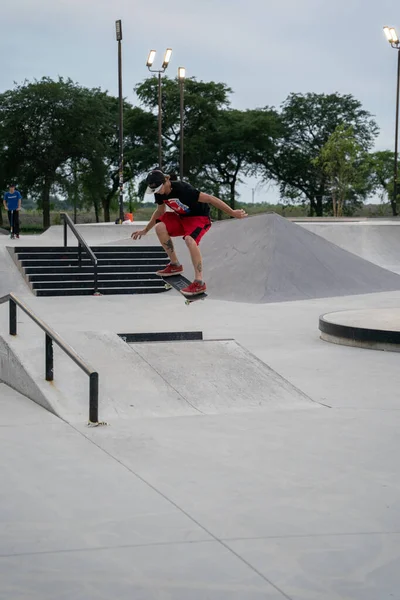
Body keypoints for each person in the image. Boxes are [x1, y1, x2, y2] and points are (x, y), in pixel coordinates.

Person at [131, 170, 247, 296]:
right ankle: (175, 264)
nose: (158, 192)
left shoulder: (183, 189)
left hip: (199, 218)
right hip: (181, 219)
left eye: (159, 188)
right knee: (159, 227)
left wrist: (232, 213)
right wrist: (145, 230)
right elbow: (160, 211)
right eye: (155, 190)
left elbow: (210, 199)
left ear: (166, 182)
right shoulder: (159, 193)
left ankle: (199, 282)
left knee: (189, 240)